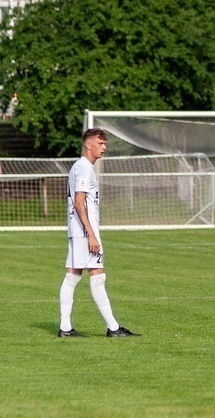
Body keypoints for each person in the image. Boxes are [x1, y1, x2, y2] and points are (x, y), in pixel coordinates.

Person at [58, 128, 138, 337]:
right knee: (97, 277)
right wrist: (91, 234)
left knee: (72, 276)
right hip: (85, 231)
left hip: (78, 230)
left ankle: (65, 328)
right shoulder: (84, 168)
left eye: (105, 144)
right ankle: (113, 328)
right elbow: (78, 203)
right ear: (88, 144)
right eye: (100, 143)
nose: (104, 148)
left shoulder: (80, 167)